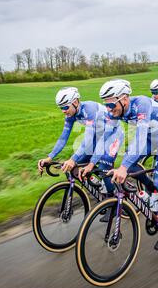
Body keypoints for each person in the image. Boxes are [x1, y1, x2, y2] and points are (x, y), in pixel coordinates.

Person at [100, 79, 158, 250]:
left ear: (124, 99)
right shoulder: (116, 111)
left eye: (111, 105)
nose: (109, 109)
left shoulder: (141, 104)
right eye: (106, 105)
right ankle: (152, 189)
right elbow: (106, 135)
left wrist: (123, 166)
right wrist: (93, 162)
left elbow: (140, 137)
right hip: (151, 137)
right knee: (130, 166)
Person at [37, 87, 123, 221]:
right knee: (79, 164)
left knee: (104, 163)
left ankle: (113, 200)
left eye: (65, 107)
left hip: (113, 134)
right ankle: (101, 187)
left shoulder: (89, 110)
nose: (63, 111)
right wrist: (50, 157)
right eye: (61, 108)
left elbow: (87, 140)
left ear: (76, 102)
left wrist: (72, 159)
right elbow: (63, 137)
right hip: (97, 136)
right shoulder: (70, 115)